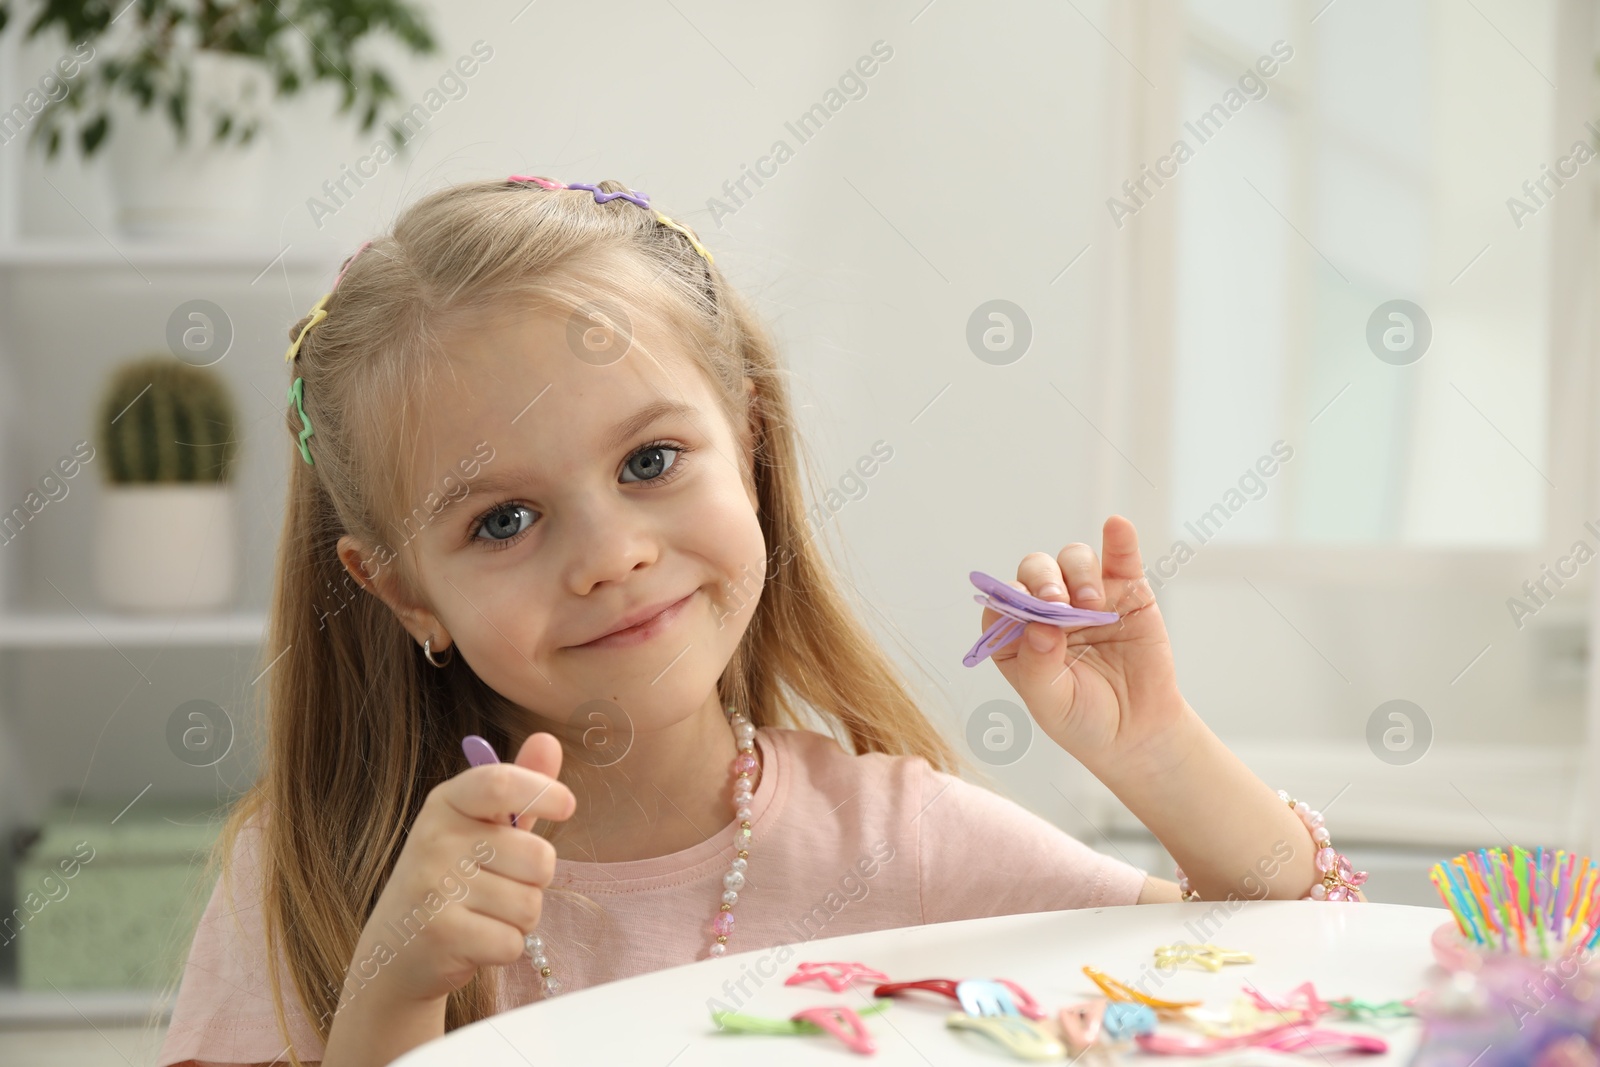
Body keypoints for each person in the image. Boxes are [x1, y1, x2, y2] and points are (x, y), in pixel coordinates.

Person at [156, 176, 1363, 1067]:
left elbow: (1314, 971)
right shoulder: (309, 879)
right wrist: (389, 1001)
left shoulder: (904, 842)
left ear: (752, 444)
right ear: (403, 590)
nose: (613, 553)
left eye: (650, 459)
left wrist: (1156, 751)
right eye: (505, 519)